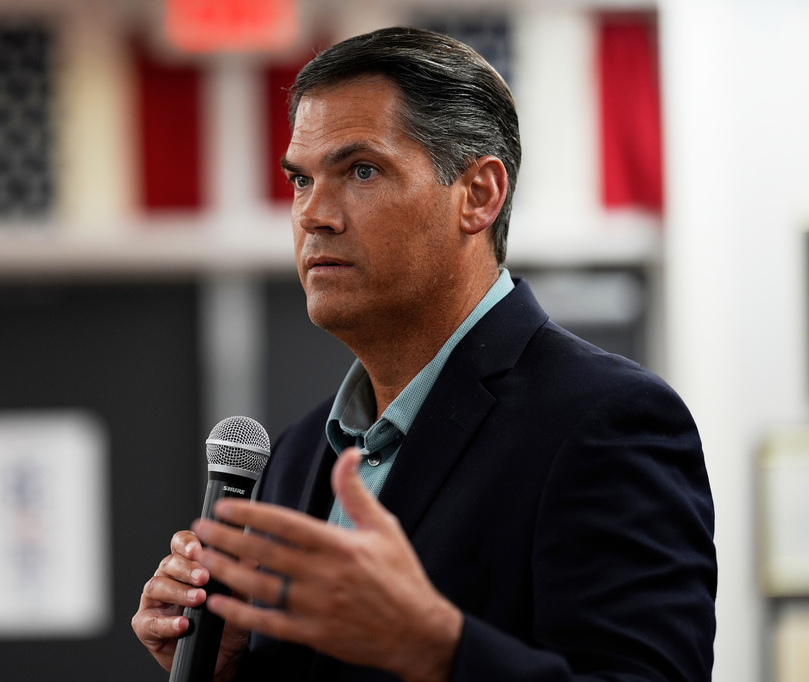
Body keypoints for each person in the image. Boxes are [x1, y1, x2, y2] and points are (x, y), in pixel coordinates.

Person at [132, 26, 716, 682]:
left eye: (360, 170)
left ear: (478, 196)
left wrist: (436, 644)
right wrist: (231, 668)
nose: (312, 215)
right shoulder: (296, 455)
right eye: (301, 179)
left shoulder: (608, 421)